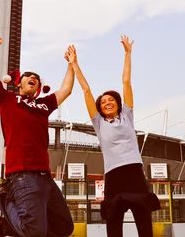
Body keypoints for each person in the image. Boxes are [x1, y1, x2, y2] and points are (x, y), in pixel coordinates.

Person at [0, 34, 75, 237]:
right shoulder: (6, 99)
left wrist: (71, 64)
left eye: (37, 78)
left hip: (45, 177)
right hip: (22, 174)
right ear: (18, 83)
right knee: (34, 231)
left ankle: (4, 225)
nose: (34, 78)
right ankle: (2, 199)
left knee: (64, 227)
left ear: (38, 87)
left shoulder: (43, 105)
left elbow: (66, 89)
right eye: (29, 76)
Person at [66, 36, 160, 237]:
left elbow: (126, 81)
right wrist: (74, 64)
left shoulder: (127, 116)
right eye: (103, 102)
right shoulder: (98, 123)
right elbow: (86, 90)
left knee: (143, 221)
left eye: (111, 100)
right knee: (113, 222)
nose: (107, 102)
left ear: (118, 103)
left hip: (134, 172)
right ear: (99, 108)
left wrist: (127, 54)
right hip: (114, 175)